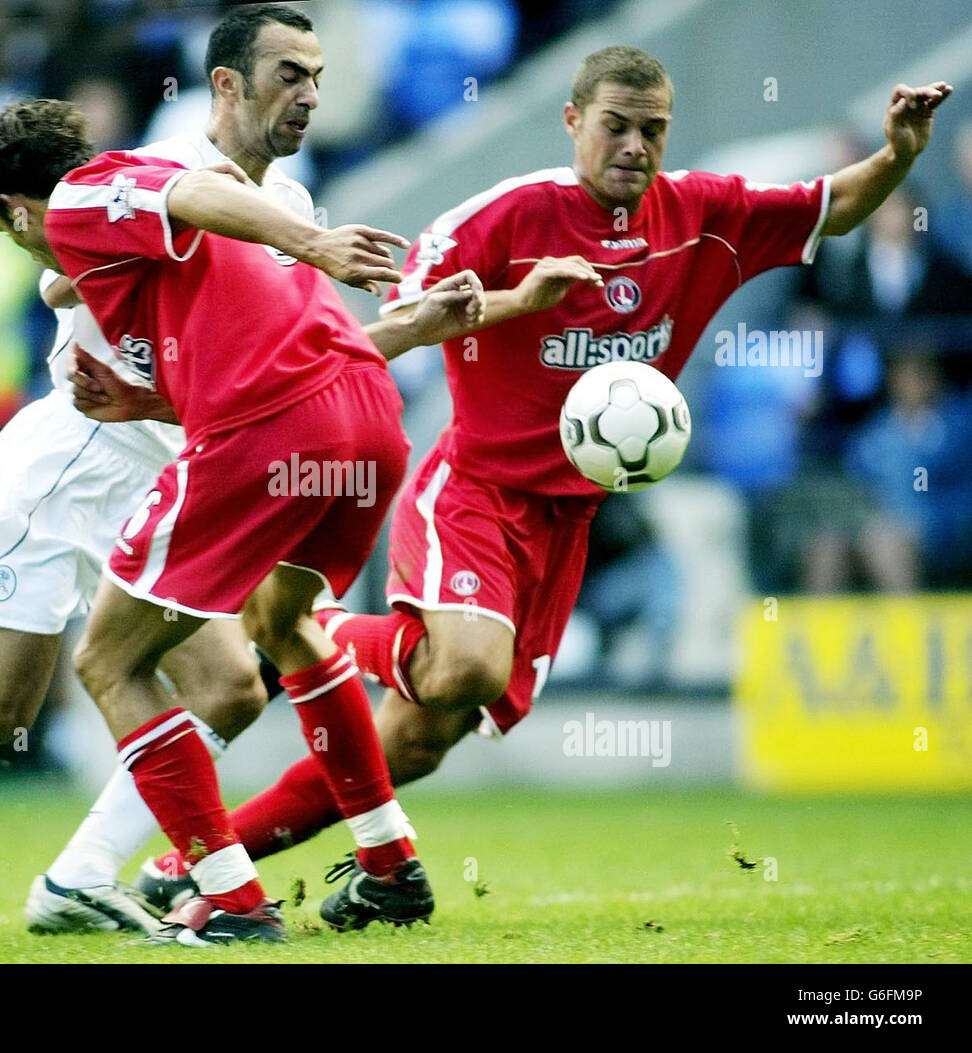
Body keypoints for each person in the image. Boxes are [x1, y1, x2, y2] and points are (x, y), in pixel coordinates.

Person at [0, 6, 482, 942]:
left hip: (191, 455)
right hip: (65, 470)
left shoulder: (272, 207)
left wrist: (406, 320)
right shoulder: (135, 201)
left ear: (14, 211)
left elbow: (284, 353)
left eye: (314, 76)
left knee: (231, 684)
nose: (308, 95)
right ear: (225, 88)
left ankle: (85, 874)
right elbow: (128, 248)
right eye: (288, 74)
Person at [136, 45, 955, 907]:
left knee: (415, 741)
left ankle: (187, 864)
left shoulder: (708, 215)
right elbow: (408, 314)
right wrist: (517, 302)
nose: (634, 146)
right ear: (573, 123)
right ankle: (315, 625)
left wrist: (899, 151)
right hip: (476, 491)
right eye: (615, 127)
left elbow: (835, 207)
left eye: (652, 130)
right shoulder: (510, 215)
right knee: (466, 669)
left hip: (568, 523)